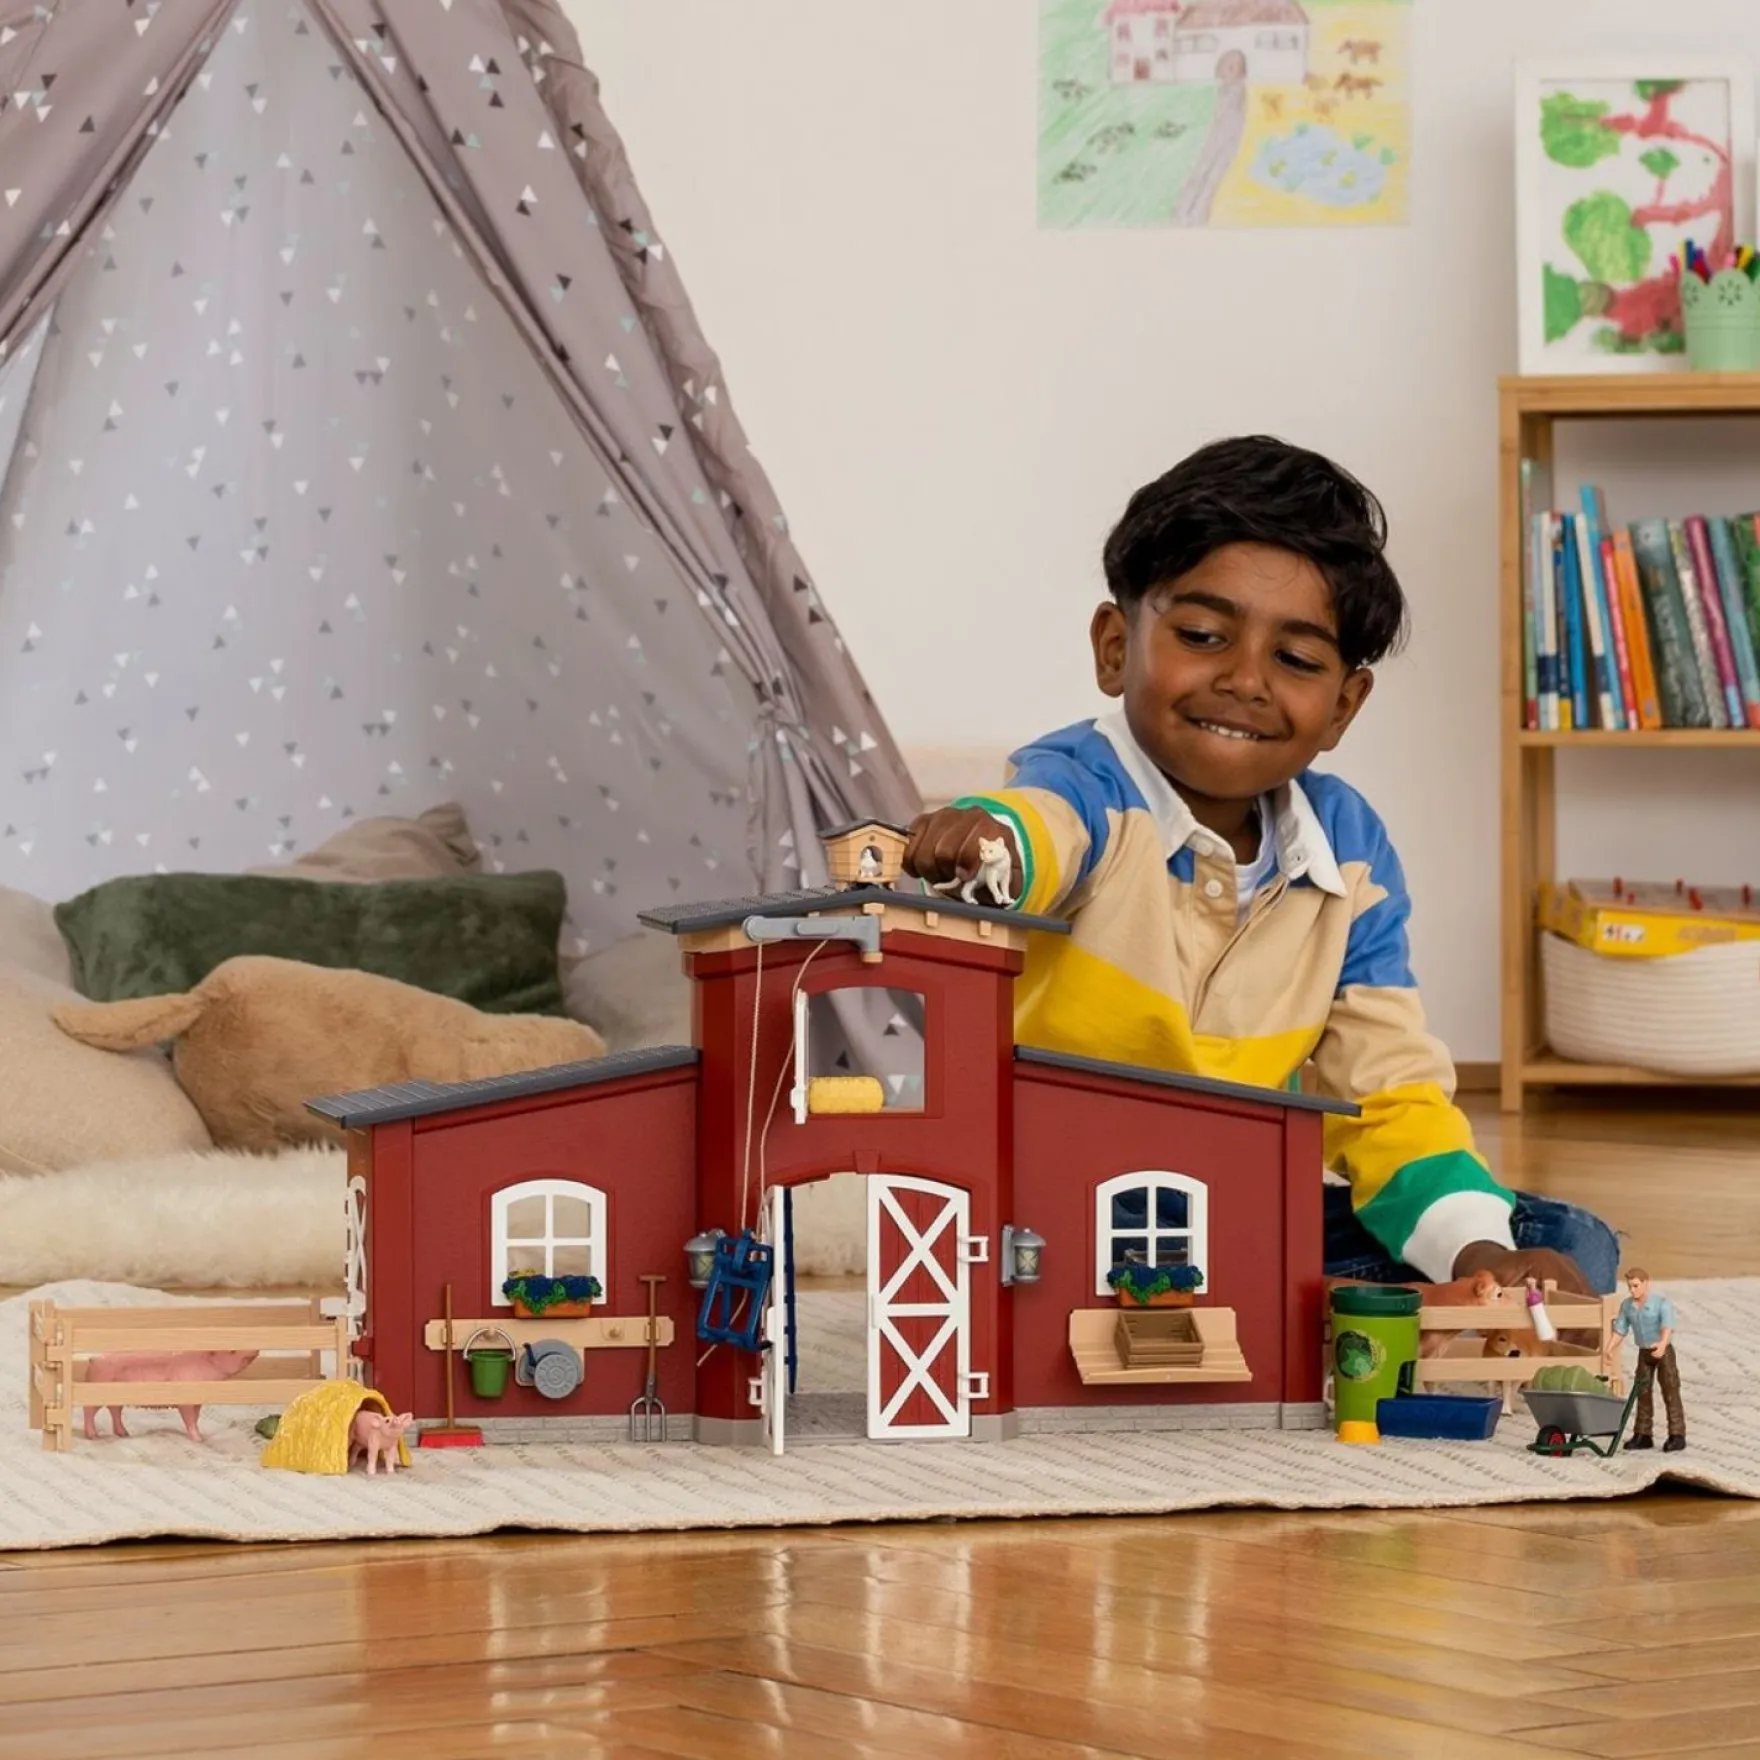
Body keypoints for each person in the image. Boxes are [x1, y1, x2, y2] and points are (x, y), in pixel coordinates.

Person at [902, 436, 1618, 1296]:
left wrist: (1480, 1258)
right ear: (1115, 647)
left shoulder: (1349, 852)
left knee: (1564, 1242)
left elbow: (1387, 1090)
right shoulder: (1085, 788)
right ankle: (1310, 1308)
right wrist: (988, 840)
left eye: (1297, 660)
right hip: (1053, 1214)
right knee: (1035, 1255)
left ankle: (1386, 1300)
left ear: (1343, 705)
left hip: (1234, 1207)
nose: (1244, 681)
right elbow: (1036, 829)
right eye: (1203, 635)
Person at [1613, 1267, 1685, 1452]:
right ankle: (1643, 1434)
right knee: (1642, 1391)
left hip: (1663, 1351)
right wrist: (1609, 1348)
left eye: (1636, 1286)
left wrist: (1662, 1345)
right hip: (1644, 1352)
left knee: (1670, 1389)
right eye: (1630, 1286)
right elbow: (1621, 1328)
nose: (1632, 1290)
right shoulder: (1627, 1306)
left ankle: (1677, 1434)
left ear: (1645, 1284)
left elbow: (1667, 1327)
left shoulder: (1661, 1304)